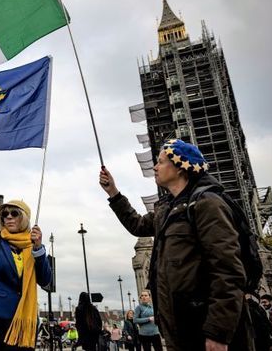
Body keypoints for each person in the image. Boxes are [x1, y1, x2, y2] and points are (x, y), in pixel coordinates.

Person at [99, 139, 254, 351]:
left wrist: (218, 333)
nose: (155, 167)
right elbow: (137, 224)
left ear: (180, 167)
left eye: (161, 162)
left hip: (205, 329)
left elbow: (227, 272)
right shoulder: (167, 209)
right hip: (180, 330)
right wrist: (114, 193)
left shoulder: (207, 204)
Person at [0, 199, 52, 351]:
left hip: (26, 322)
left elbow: (45, 280)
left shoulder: (34, 245)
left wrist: (39, 249)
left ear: (24, 218)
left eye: (14, 213)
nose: (8, 217)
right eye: (4, 214)